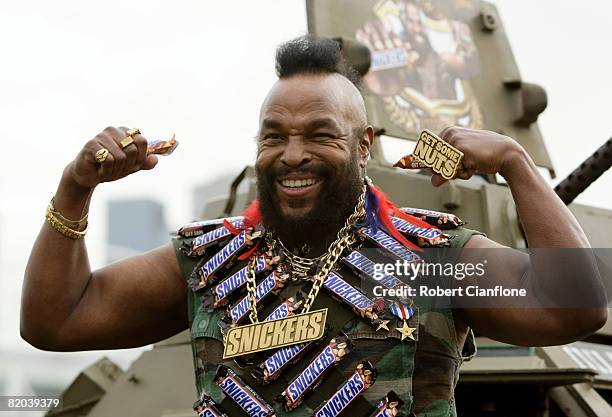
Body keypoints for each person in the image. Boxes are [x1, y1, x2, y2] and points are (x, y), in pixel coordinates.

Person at [21, 35, 607, 417]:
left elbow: (573, 309)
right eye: (273, 135)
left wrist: (515, 163)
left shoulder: (429, 256)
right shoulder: (210, 258)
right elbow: (55, 321)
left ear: (362, 146)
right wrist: (77, 186)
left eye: (320, 133)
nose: (292, 153)